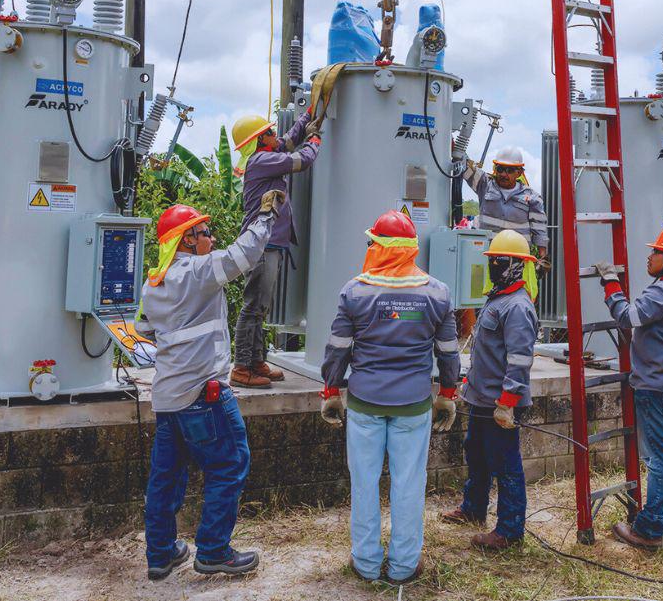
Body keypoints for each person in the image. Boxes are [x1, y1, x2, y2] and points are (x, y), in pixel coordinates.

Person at [139, 191, 287, 581]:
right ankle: (214, 551)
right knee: (229, 465)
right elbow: (244, 254)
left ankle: (160, 555)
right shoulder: (198, 273)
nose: (212, 239)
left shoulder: (153, 283)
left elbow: (142, 329)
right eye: (205, 232)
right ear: (187, 239)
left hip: (168, 397)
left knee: (165, 477)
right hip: (204, 395)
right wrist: (266, 215)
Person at [320, 210, 460, 585]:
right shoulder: (437, 293)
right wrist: (447, 394)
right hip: (413, 407)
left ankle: (366, 564)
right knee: (409, 485)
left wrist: (331, 390)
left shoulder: (354, 292)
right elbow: (448, 352)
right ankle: (403, 566)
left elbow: (338, 350)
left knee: (364, 483)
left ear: (378, 247)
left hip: (364, 404)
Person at [595, 224, 663, 551]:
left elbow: (628, 317)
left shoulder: (662, 292)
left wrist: (611, 285)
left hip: (661, 389)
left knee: (660, 459)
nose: (650, 256)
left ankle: (650, 529)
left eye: (655, 252)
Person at [441, 230, 539, 551]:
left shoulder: (518, 307)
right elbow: (487, 351)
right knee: (477, 454)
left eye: (500, 261)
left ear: (516, 265)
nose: (494, 265)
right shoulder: (498, 298)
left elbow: (520, 360)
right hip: (482, 398)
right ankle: (474, 508)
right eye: (492, 260)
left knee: (506, 463)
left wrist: (508, 402)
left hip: (501, 402)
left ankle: (510, 531)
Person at [228, 111, 321, 388]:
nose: (274, 136)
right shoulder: (261, 160)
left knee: (260, 307)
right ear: (259, 141)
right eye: (268, 133)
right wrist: (315, 140)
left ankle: (256, 361)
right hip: (262, 245)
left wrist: (308, 116)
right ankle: (242, 367)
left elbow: (289, 140)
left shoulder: (262, 156)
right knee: (254, 307)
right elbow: (301, 159)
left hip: (269, 243)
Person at [463, 146, 549, 297]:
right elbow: (465, 166)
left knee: (517, 297)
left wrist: (543, 258)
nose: (503, 174)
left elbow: (539, 228)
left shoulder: (531, 197)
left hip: (517, 261)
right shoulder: (485, 185)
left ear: (519, 172)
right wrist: (455, 147)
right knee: (483, 296)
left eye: (509, 170)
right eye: (500, 169)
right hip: (489, 258)